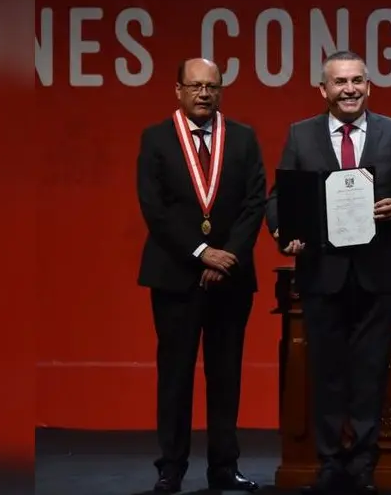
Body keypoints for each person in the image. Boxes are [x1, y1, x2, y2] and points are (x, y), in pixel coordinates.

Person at [265, 50, 391, 495]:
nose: (349, 89)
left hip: (376, 272)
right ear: (324, 90)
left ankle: (362, 464)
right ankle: (329, 463)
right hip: (321, 272)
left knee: (370, 372)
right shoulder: (300, 135)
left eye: (357, 81)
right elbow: (277, 197)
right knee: (326, 372)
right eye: (340, 82)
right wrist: (285, 231)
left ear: (368, 86)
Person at [136, 58, 265, 493]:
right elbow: (154, 208)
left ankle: (224, 467)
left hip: (231, 277)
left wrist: (226, 255)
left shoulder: (243, 138)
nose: (204, 93)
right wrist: (202, 253)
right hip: (176, 275)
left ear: (221, 89)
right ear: (178, 90)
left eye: (211, 86)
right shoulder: (155, 138)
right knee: (175, 374)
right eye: (195, 86)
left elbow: (254, 204)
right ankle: (170, 468)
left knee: (226, 374)